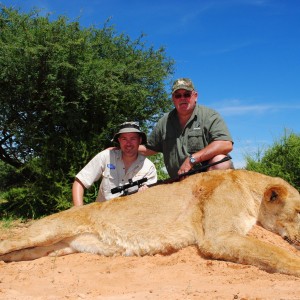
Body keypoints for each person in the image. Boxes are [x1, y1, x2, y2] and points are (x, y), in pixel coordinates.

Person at [139, 78, 234, 179]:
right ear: (173, 98)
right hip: (179, 181)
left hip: (206, 179)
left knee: (221, 162)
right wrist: (125, 146)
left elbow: (225, 144)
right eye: (178, 95)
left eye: (187, 94)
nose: (182, 98)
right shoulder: (164, 121)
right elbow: (149, 148)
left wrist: (192, 159)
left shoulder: (209, 116)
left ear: (195, 96)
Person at [72, 122, 157, 206]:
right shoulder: (106, 156)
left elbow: (150, 203)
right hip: (102, 214)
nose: (128, 143)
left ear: (140, 140)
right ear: (119, 140)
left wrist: (146, 195)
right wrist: (79, 211)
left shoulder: (149, 167)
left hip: (133, 216)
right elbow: (80, 182)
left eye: (133, 139)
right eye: (124, 139)